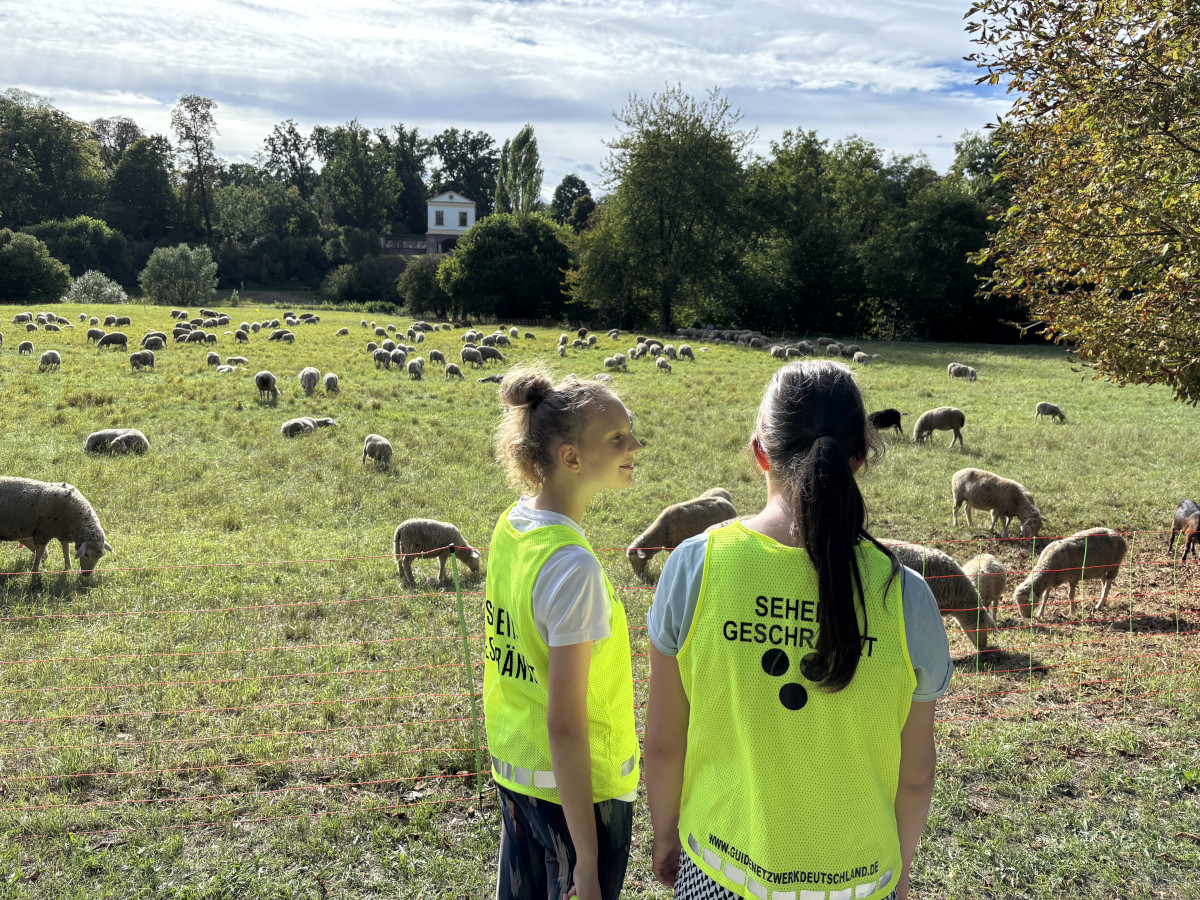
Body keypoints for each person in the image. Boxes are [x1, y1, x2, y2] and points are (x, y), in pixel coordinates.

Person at [644, 360, 953, 900]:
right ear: (859, 456)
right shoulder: (907, 598)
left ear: (760, 451)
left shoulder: (693, 568)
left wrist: (666, 834)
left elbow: (666, 743)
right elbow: (916, 776)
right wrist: (898, 877)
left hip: (718, 869)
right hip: (859, 883)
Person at [484, 366, 645, 900]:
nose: (635, 445)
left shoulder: (514, 525)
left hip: (520, 782)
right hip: (579, 801)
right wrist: (589, 861)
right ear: (570, 457)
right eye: (617, 437)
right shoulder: (572, 569)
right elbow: (567, 726)